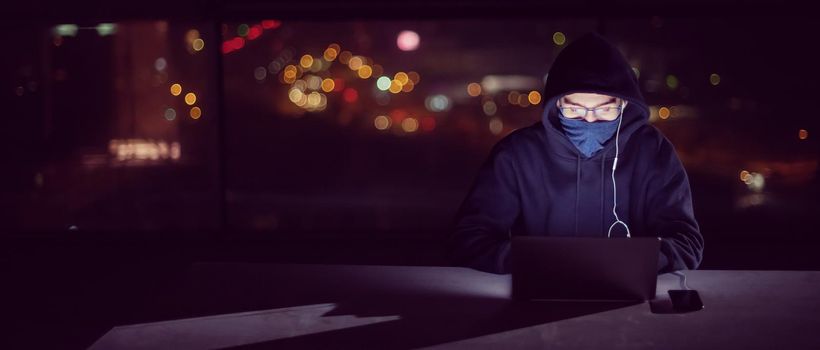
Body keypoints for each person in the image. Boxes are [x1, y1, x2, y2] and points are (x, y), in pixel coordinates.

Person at [447, 32, 704, 275]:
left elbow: (687, 243)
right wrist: (537, 265)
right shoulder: (517, 154)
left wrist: (633, 263)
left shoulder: (652, 152)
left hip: (633, 304)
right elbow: (469, 238)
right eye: (575, 110)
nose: (589, 121)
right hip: (537, 300)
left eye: (604, 110)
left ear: (623, 104)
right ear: (557, 104)